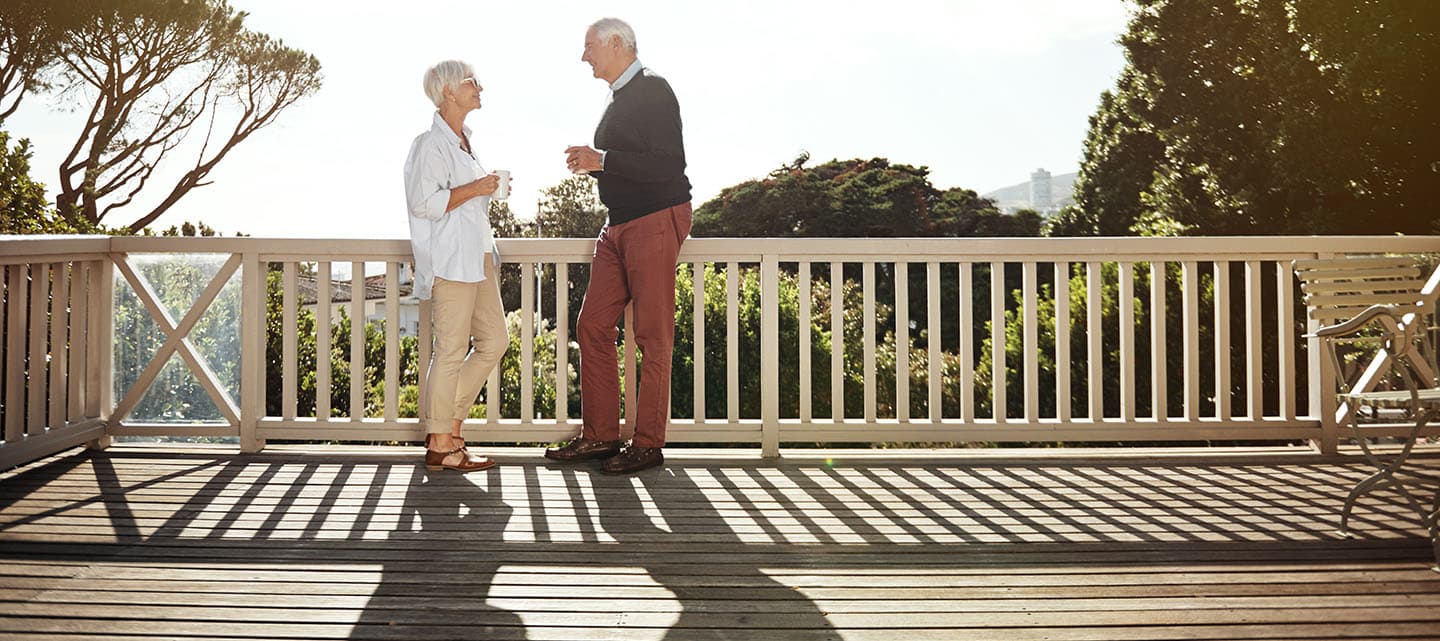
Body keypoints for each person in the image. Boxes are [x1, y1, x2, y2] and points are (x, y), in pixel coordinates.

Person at [545, 18, 693, 475]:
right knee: (591, 325)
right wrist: (595, 165)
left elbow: (671, 163)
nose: (583, 56)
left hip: (653, 217)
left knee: (652, 334)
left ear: (615, 44)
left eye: (589, 46)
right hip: (618, 225)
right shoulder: (620, 98)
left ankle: (648, 444)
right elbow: (631, 162)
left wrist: (602, 159)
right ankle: (602, 436)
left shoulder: (653, 89)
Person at [403, 60, 508, 472]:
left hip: (478, 257)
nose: (479, 86)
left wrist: (486, 192)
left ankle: (447, 429)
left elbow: (463, 202)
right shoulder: (429, 145)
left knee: (494, 341)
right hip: (451, 260)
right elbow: (424, 203)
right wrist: (476, 188)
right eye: (471, 82)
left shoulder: (465, 141)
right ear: (448, 91)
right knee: (449, 351)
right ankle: (442, 443)